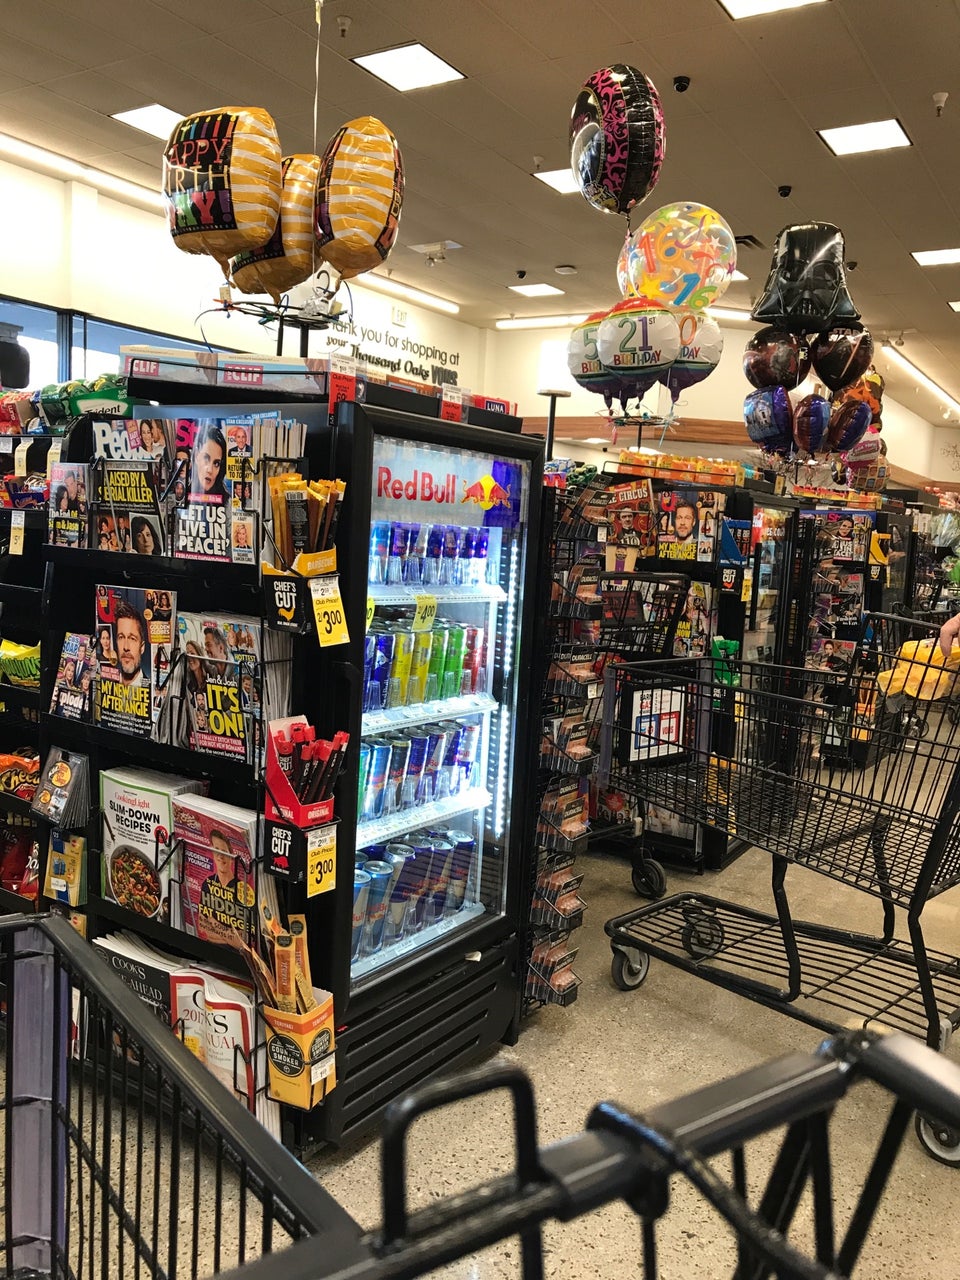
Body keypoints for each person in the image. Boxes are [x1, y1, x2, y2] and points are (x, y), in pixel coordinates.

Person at [197, 828, 255, 947]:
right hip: (208, 948)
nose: (220, 856)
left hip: (236, 955)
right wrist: (229, 936)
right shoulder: (207, 883)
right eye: (216, 850)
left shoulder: (243, 890)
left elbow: (241, 942)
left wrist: (213, 922)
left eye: (224, 852)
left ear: (231, 857)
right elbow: (202, 926)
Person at [189, 422, 228, 501]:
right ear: (196, 455)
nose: (210, 470)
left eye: (216, 464)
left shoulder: (227, 501)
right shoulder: (183, 494)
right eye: (206, 459)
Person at [114, 600, 147, 687]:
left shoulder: (152, 691)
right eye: (121, 637)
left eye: (132, 638)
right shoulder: (107, 685)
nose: (126, 647)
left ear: (142, 647)